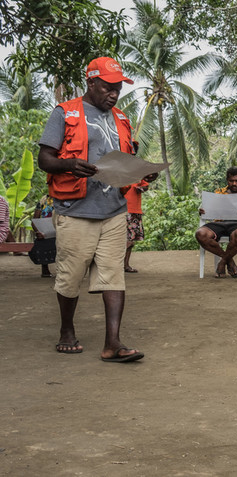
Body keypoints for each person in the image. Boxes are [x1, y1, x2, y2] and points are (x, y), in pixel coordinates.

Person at [37, 56, 157, 362]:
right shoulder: (64, 113)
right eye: (107, 87)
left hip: (114, 210)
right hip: (75, 211)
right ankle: (66, 331)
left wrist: (141, 172)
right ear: (91, 82)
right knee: (70, 276)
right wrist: (68, 164)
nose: (114, 94)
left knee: (113, 276)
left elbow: (125, 161)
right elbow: (45, 159)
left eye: (117, 88)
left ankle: (112, 343)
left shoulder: (122, 119)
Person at [123, 180, 148, 273]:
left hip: (134, 210)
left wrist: (141, 189)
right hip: (121, 209)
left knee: (131, 240)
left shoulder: (138, 173)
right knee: (123, 240)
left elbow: (145, 186)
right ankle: (117, 264)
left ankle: (125, 265)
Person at [32, 194, 55, 277]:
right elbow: (35, 220)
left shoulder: (65, 199)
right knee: (41, 241)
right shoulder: (43, 201)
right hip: (45, 231)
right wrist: (38, 232)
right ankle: (45, 269)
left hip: (61, 228)